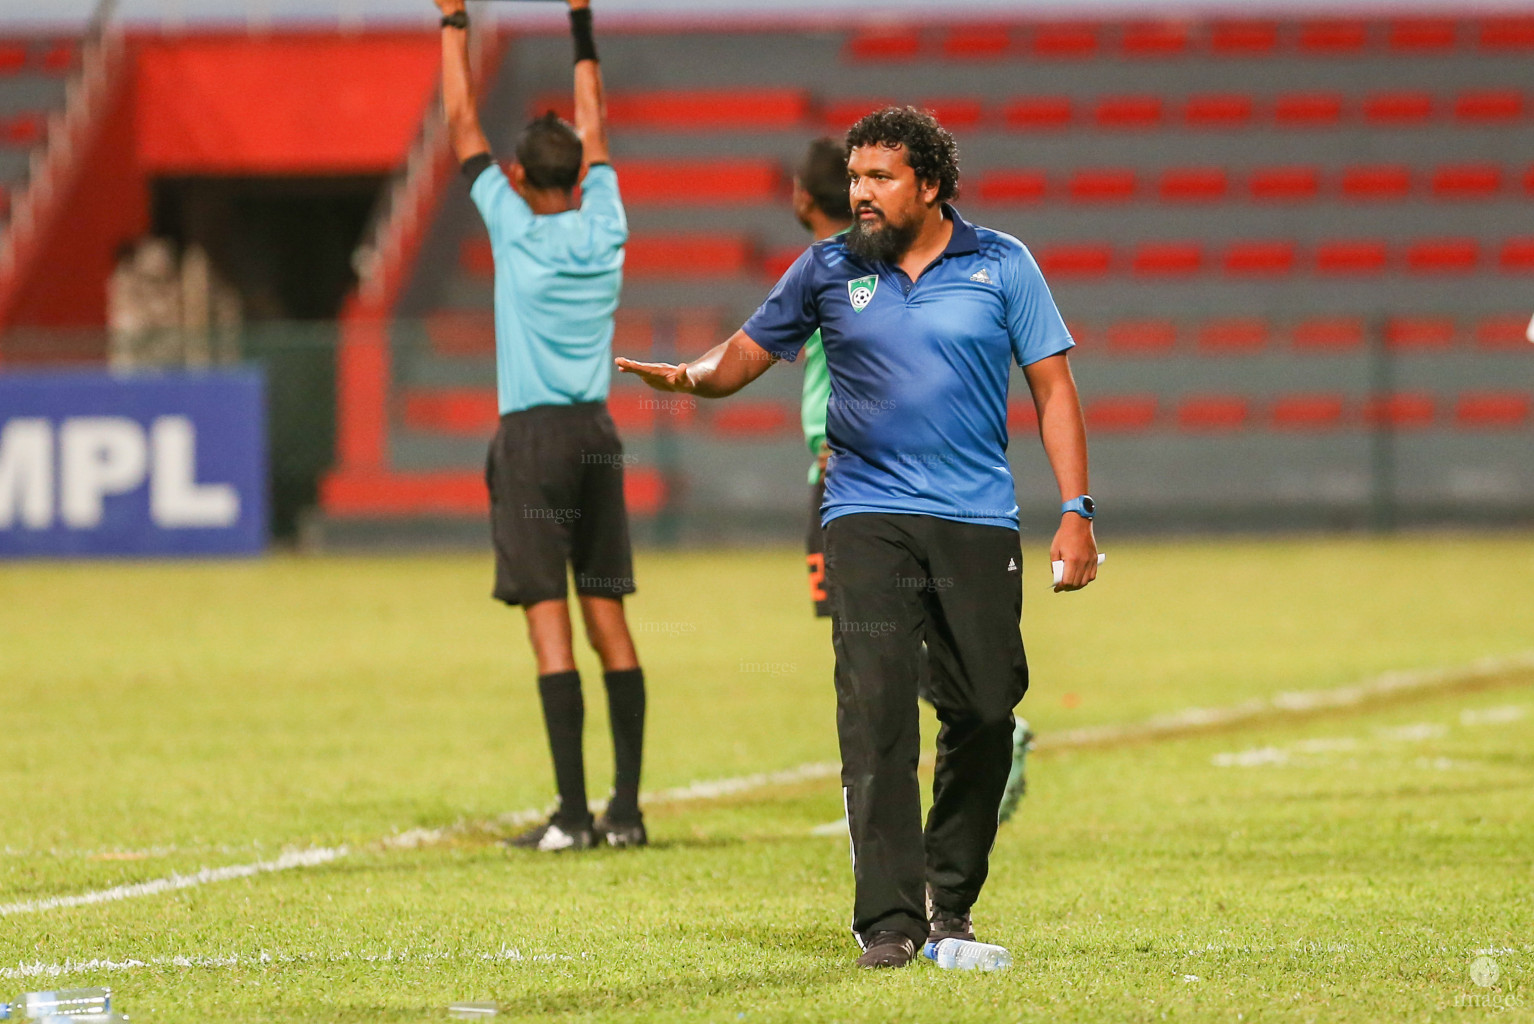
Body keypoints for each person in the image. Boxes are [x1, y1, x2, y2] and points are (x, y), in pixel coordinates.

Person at [618, 107, 1098, 967]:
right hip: (864, 513)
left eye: (880, 178)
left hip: (977, 517)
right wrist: (692, 379)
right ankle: (888, 920)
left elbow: (1054, 390)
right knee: (875, 707)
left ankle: (948, 898)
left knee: (986, 708)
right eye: (855, 177)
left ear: (931, 184)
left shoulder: (1004, 264)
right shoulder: (827, 269)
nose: (861, 194)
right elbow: (749, 352)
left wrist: (1076, 510)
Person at [435, 0, 647, 852]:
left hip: (532, 439)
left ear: (519, 176)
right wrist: (581, 21)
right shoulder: (608, 224)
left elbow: (458, 121)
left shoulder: (513, 226)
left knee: (547, 618)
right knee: (609, 615)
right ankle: (624, 812)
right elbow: (594, 123)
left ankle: (569, 816)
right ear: (584, 175)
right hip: (596, 434)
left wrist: (454, 23)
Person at [790, 136, 1036, 830]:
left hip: (857, 477)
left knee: (864, 629)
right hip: (855, 477)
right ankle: (890, 775)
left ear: (802, 197)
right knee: (865, 629)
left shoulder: (855, 270)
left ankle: (899, 770)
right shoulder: (825, 269)